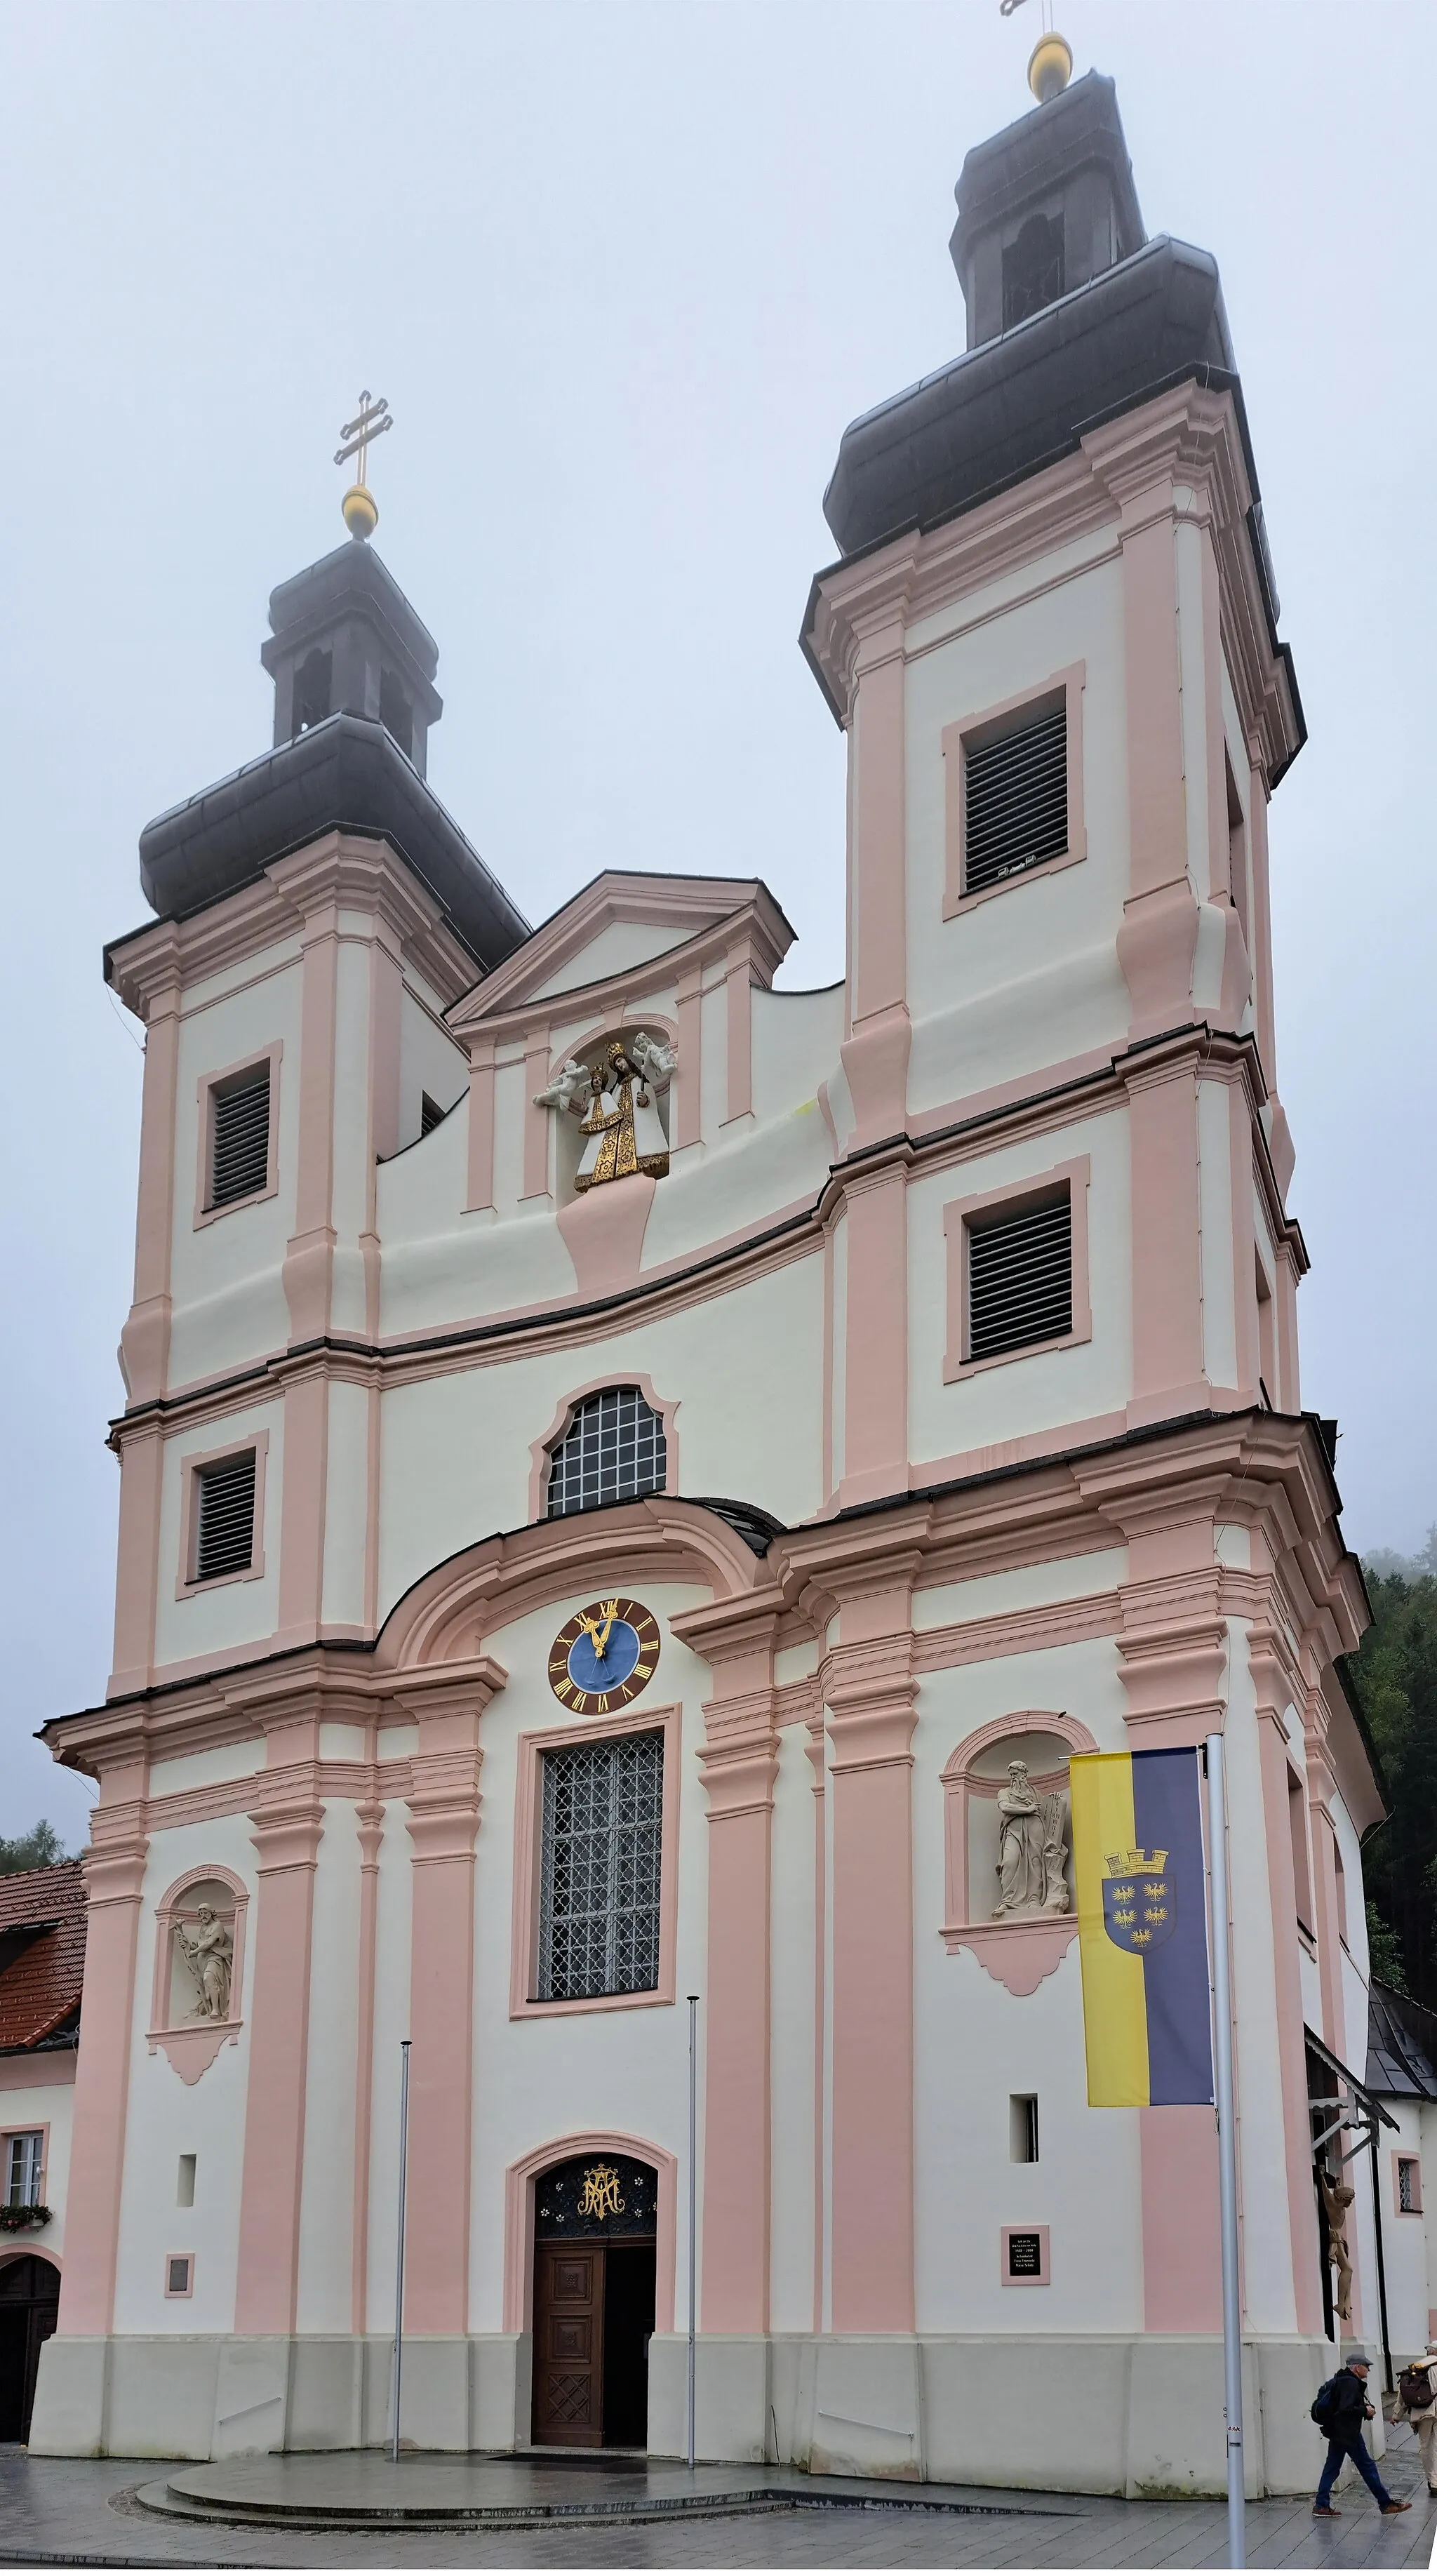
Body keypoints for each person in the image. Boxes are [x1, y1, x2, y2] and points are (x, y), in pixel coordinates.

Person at [1312, 2350, 1412, 2517]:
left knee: (1333, 2467)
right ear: (1357, 2368)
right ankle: (1385, 2504)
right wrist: (1366, 2411)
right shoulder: (1350, 2383)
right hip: (1347, 2432)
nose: (1369, 2370)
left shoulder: (1342, 2380)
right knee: (1367, 2467)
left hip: (1340, 2431)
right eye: (1366, 2366)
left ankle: (1321, 2504)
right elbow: (1346, 2409)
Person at [1396, 2344, 1437, 2493]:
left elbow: (1404, 2393)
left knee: (1426, 2447)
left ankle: (1433, 2482)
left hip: (1423, 2413)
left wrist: (1396, 2415)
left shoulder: (1418, 2367)